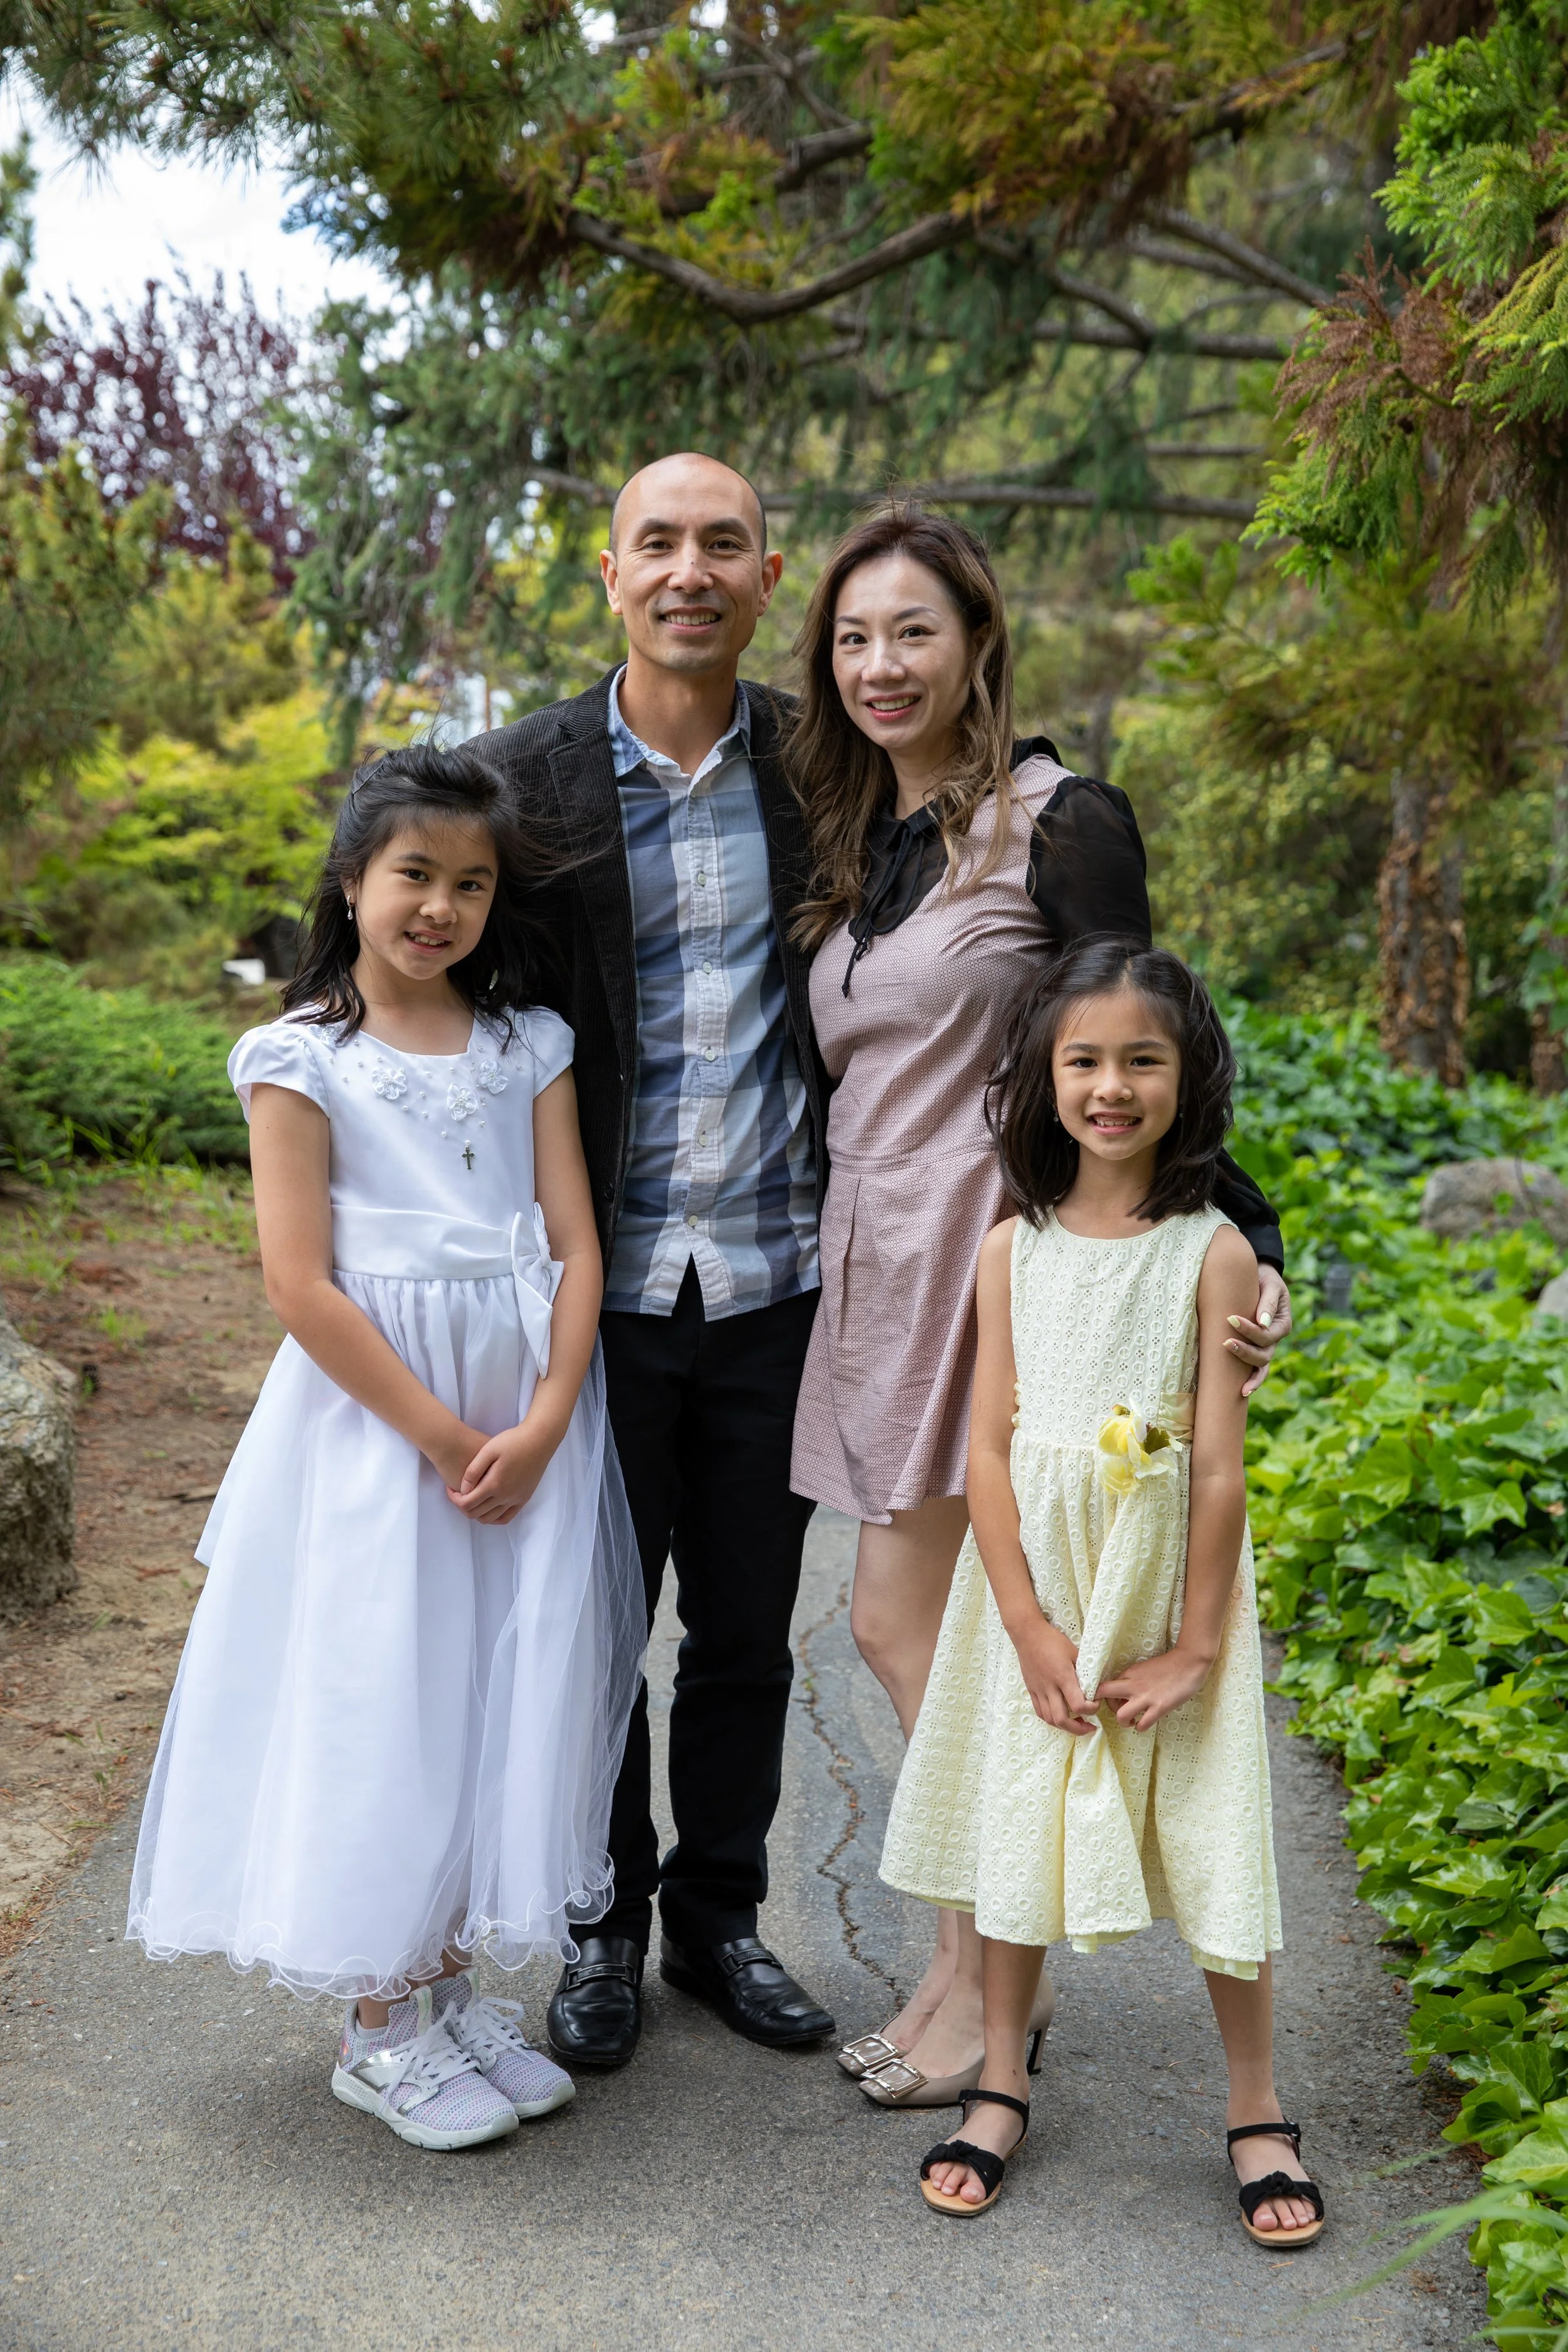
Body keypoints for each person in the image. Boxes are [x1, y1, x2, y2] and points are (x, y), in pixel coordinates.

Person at [786, 507, 1290, 2107]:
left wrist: (1242, 1231)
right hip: (877, 1254)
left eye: (912, 631)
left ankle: (984, 1981)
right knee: (898, 1623)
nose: (880, 665)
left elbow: (1137, 1032)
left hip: (997, 1245)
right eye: (852, 638)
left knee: (917, 1624)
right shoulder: (854, 841)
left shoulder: (1057, 818)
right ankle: (980, 1961)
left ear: (978, 644)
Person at [126, 745, 644, 2151]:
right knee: (386, 1688)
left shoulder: (527, 1044)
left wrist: (548, 1414)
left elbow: (573, 1240)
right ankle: (377, 2023)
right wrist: (442, 1434)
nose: (441, 907)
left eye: (470, 884)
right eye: (415, 874)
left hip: (524, 1413)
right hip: (381, 1426)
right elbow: (299, 1283)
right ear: (352, 880)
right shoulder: (302, 1058)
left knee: (488, 1692)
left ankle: (444, 1984)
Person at [470, 453, 836, 2067]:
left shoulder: (829, 771)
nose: (691, 571)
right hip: (590, 1297)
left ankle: (717, 1921)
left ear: (766, 579)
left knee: (746, 1632)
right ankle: (598, 1925)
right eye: (659, 545)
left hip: (777, 1280)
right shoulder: (518, 781)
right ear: (609, 574)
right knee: (592, 1635)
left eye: (723, 545)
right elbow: (408, 955)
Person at [881, 940, 1323, 2243]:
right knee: (1021, 1816)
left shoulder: (1211, 1253)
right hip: (1039, 1591)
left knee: (1210, 1824)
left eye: (1143, 1060)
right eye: (1084, 1060)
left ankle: (1256, 2105)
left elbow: (1219, 1470)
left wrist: (1195, 1645)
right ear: (1043, 1076)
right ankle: (1000, 2081)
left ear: (1190, 1078)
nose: (1112, 1086)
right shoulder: (1009, 1248)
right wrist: (1024, 1624)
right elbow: (987, 1451)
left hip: (1163, 1589)